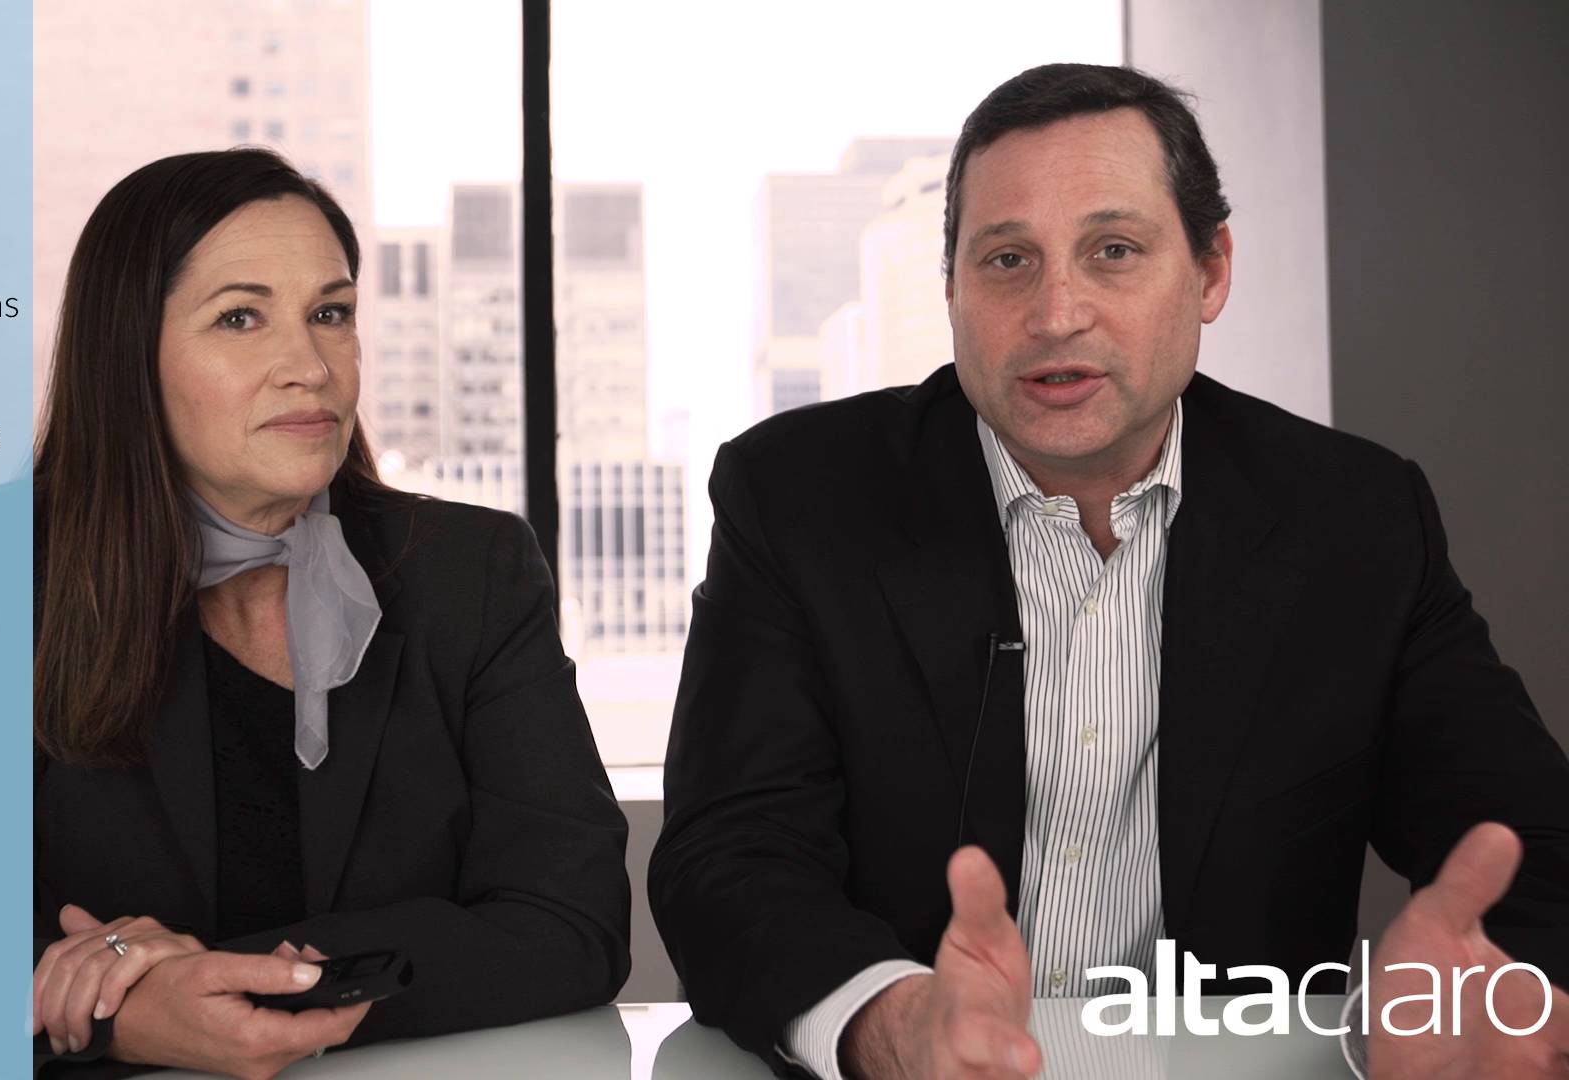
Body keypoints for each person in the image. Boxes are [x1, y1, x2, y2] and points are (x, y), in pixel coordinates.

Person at [649, 63, 1569, 1080]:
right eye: (1007, 260)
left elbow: (1535, 854)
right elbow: (726, 858)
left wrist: (1479, 1000)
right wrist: (892, 1025)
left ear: (1210, 272)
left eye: (1114, 251)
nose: (1056, 314)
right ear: (951, 288)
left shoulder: (1355, 520)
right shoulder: (799, 497)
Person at [22, 148, 629, 1077]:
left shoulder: (472, 570)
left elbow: (570, 925)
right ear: (128, 358)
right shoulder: (11, 570)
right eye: (240, 318)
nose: (309, 366)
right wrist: (134, 1020)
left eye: (331, 314)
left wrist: (206, 985)